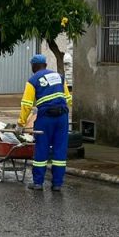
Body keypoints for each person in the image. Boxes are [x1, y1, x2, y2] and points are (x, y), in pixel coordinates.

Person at [18, 54, 72, 191]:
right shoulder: (59, 77)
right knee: (60, 150)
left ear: (34, 66)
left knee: (42, 148)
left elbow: (26, 104)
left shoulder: (33, 80)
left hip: (46, 118)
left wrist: (21, 123)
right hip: (62, 117)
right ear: (46, 65)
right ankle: (57, 184)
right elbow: (68, 98)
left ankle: (38, 183)